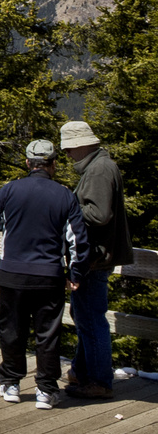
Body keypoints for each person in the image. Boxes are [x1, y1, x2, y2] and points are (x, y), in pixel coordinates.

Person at [0, 140, 89, 409]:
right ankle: (46, 390)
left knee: (12, 330)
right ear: (53, 164)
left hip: (12, 273)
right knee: (48, 334)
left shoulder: (10, 189)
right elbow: (78, 239)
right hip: (49, 275)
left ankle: (11, 383)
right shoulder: (65, 195)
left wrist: (10, 222)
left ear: (28, 163)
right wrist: (75, 272)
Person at [61, 120, 133, 400]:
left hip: (95, 256)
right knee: (85, 315)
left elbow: (99, 214)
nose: (67, 155)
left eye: (69, 149)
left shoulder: (99, 170)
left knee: (91, 320)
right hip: (97, 255)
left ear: (81, 145)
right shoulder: (100, 166)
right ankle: (82, 370)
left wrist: (67, 207)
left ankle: (99, 380)